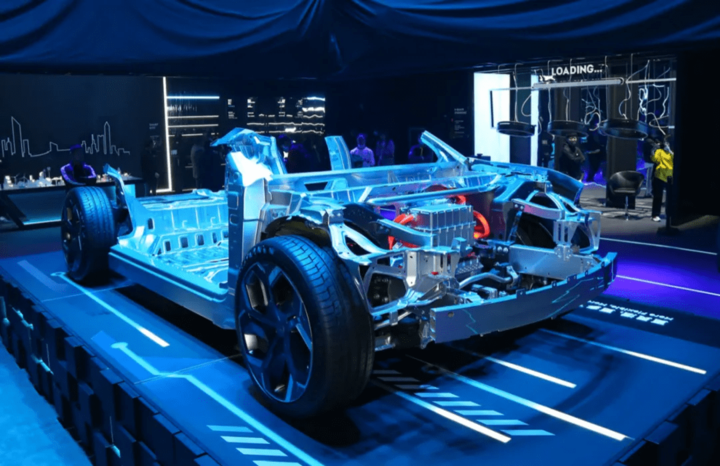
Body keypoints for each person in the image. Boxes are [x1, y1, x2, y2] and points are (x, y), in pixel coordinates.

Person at [650, 135, 674, 222]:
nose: (666, 144)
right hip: (659, 175)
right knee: (658, 196)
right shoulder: (660, 151)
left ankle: (670, 214)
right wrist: (653, 151)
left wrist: (670, 152)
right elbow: (654, 159)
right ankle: (655, 214)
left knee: (671, 197)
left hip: (670, 176)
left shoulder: (673, 153)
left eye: (668, 143)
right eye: (665, 143)